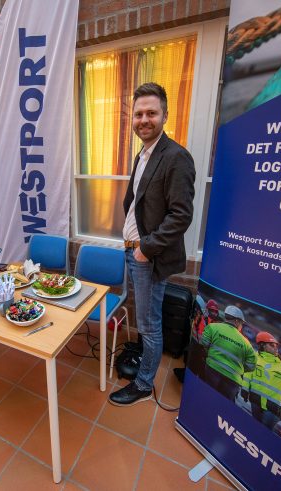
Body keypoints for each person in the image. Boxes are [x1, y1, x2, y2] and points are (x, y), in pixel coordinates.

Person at [108, 82, 195, 406]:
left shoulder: (176, 157)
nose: (144, 119)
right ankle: (144, 364)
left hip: (149, 256)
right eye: (139, 114)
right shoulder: (144, 154)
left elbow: (181, 215)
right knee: (144, 318)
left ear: (165, 116)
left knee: (149, 324)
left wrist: (145, 249)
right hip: (134, 251)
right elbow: (138, 204)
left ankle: (144, 384)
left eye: (151, 113)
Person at [200, 305, 256, 402]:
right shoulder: (247, 344)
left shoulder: (213, 327)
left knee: (205, 398)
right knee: (223, 405)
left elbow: (204, 343)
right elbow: (251, 366)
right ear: (237, 321)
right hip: (233, 380)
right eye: (242, 323)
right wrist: (237, 367)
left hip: (211, 369)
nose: (241, 326)